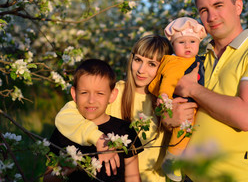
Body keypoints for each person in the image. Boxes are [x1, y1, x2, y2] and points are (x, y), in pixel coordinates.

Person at [174, 0, 248, 182]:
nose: (211, 16)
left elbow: (245, 116)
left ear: (238, 6)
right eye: (203, 10)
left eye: (218, 6)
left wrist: (194, 90)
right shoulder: (197, 58)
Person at [54, 35, 198, 182]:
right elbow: (67, 114)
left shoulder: (169, 102)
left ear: (164, 68)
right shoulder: (114, 93)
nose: (141, 70)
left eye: (152, 64)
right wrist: (96, 138)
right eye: (138, 60)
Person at [44, 58, 143, 182]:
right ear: (74, 94)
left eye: (100, 93)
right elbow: (47, 178)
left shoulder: (124, 130)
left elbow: (133, 179)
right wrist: (61, 171)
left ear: (112, 96)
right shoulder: (64, 131)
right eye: (84, 92)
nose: (91, 100)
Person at [148, 17, 207, 181]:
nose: (188, 46)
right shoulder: (176, 62)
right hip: (177, 100)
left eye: (192, 42)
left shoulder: (193, 60)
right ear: (173, 45)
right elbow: (168, 80)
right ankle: (172, 158)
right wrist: (164, 96)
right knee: (185, 128)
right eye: (182, 42)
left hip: (188, 98)